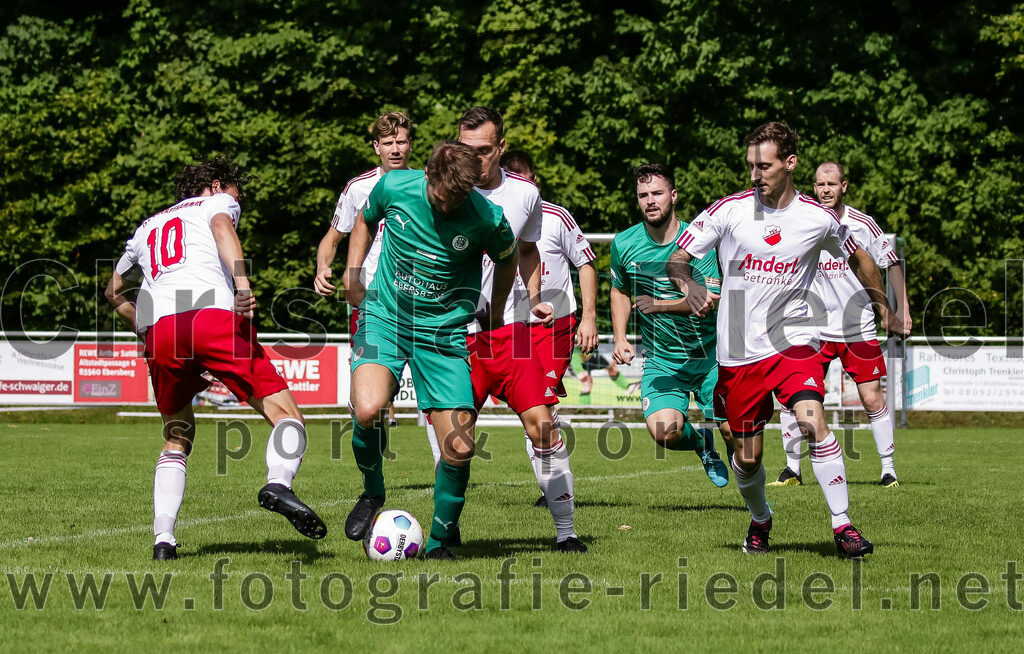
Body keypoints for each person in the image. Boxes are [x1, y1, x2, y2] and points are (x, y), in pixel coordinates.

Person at [667, 122, 909, 558]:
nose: (755, 174)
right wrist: (689, 286)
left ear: (790, 163)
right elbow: (679, 259)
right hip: (738, 350)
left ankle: (844, 526)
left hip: (794, 342)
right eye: (751, 166)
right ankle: (761, 519)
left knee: (813, 419)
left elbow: (860, 258)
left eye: (765, 166)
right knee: (749, 460)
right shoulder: (728, 210)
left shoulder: (818, 219)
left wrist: (884, 308)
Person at [104, 156, 326, 561]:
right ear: (216, 184)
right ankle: (278, 483)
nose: (236, 207)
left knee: (177, 436)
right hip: (211, 317)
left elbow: (113, 289)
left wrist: (143, 329)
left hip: (163, 331)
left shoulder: (146, 227)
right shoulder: (217, 203)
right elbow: (222, 228)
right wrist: (243, 285)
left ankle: (163, 541)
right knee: (286, 414)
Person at [342, 140, 518, 561]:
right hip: (384, 315)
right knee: (367, 408)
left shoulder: (487, 218)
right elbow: (364, 222)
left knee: (458, 447)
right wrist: (352, 275)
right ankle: (372, 492)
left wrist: (494, 311)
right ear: (428, 176)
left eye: (457, 199)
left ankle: (440, 542)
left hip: (443, 334)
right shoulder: (394, 187)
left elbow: (509, 260)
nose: (446, 205)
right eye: (441, 196)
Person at [423, 107, 587, 553]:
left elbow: (529, 250)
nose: (473, 160)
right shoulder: (434, 191)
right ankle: (446, 529)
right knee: (452, 436)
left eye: (482, 150)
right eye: (464, 149)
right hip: (455, 337)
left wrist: (535, 299)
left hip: (510, 336)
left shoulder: (524, 196)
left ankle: (566, 533)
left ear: (501, 147)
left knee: (543, 428)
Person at [769, 162, 912, 489]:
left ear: (844, 186)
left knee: (872, 398)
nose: (825, 190)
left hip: (855, 324)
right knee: (791, 397)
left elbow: (890, 264)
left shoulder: (862, 224)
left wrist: (899, 309)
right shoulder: (804, 221)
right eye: (819, 184)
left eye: (831, 184)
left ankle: (888, 470)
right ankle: (792, 470)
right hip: (811, 326)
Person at [608, 163, 731, 487]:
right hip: (662, 360)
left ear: (673, 196)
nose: (650, 200)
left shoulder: (699, 240)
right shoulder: (624, 243)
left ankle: (758, 513)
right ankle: (702, 442)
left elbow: (707, 301)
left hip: (710, 357)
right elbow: (620, 288)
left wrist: (660, 305)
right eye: (643, 195)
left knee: (737, 435)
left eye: (657, 193)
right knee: (665, 432)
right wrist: (620, 336)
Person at [498, 150, 599, 508]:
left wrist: (589, 317)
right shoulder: (492, 214)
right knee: (530, 408)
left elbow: (586, 263)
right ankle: (553, 486)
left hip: (553, 323)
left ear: (534, 183)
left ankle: (555, 490)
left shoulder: (556, 217)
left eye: (526, 181)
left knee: (540, 402)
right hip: (512, 325)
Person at [314, 112, 414, 426]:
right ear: (376, 147)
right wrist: (322, 268)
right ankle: (372, 413)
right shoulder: (358, 188)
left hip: (420, 298)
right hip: (372, 299)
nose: (395, 149)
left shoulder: (427, 184)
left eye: (401, 141)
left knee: (433, 395)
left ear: (410, 144)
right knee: (368, 400)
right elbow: (331, 239)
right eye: (388, 143)